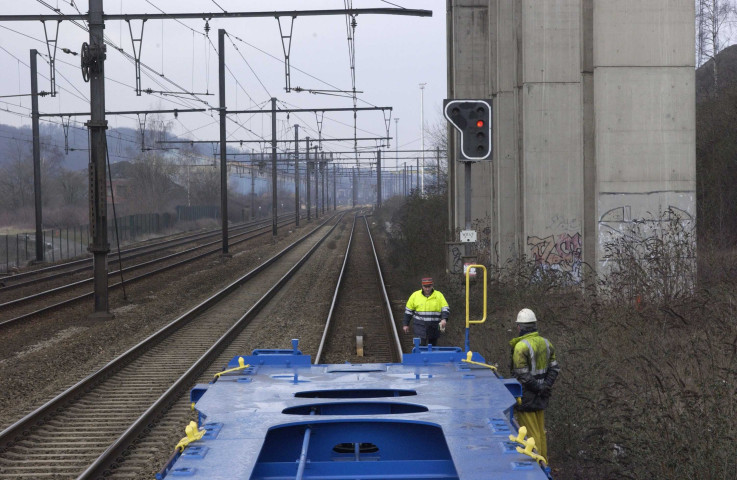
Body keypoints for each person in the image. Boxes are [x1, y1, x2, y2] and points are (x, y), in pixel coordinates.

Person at [509, 308, 560, 460]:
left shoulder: (521, 347)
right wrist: (545, 387)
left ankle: (537, 466)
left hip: (526, 396)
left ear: (520, 327)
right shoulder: (546, 343)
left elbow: (521, 374)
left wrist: (538, 388)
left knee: (531, 435)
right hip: (542, 395)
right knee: (540, 431)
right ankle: (545, 462)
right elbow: (555, 368)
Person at [402, 277, 449, 346]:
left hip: (434, 327)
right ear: (422, 286)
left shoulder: (439, 295)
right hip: (419, 327)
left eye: (429, 286)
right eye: (425, 287)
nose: (427, 289)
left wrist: (444, 319)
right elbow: (408, 311)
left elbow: (445, 308)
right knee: (420, 348)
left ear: (432, 285)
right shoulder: (415, 296)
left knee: (433, 349)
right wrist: (405, 324)